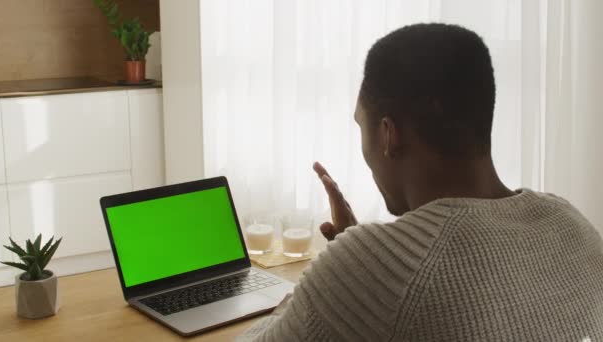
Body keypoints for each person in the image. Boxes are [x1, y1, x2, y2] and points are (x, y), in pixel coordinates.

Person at [238, 23, 603, 341]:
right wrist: (359, 259)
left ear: (387, 136)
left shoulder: (370, 264)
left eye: (360, 126)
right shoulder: (570, 222)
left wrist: (308, 294)